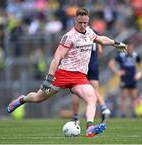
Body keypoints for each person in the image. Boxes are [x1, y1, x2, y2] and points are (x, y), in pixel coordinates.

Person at [7, 7, 127, 137]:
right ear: (75, 20)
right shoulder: (69, 37)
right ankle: (22, 100)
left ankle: (90, 127)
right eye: (80, 22)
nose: (83, 25)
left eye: (85, 23)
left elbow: (102, 39)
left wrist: (116, 43)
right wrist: (49, 79)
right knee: (37, 98)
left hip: (79, 77)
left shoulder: (89, 33)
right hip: (63, 75)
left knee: (92, 97)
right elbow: (56, 58)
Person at [72, 42, 111, 123]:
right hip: (93, 65)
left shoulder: (79, 35)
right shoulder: (95, 34)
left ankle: (76, 117)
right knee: (95, 90)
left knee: (75, 91)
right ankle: (104, 108)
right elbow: (100, 51)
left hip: (81, 66)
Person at [108, 42, 142, 118]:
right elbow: (111, 63)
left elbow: (140, 64)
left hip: (133, 78)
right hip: (124, 78)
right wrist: (117, 71)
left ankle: (134, 113)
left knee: (133, 97)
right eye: (129, 48)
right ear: (126, 48)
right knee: (124, 97)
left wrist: (139, 73)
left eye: (131, 48)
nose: (130, 50)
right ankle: (123, 114)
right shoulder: (121, 56)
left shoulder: (136, 56)